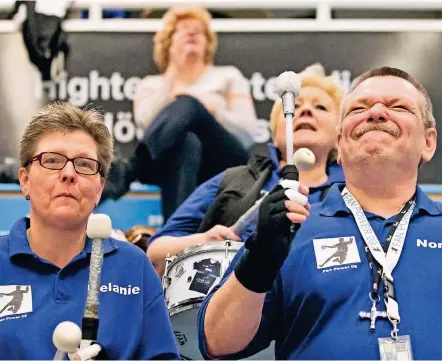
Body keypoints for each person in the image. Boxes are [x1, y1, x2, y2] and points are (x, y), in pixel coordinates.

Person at [197, 66, 442, 359]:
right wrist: (260, 259)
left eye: (398, 106)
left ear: (428, 143)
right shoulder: (289, 228)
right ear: (339, 145)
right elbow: (216, 342)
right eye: (359, 108)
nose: (376, 113)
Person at [0, 102, 179, 360]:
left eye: (84, 165)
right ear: (25, 180)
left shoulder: (134, 266)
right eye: (53, 161)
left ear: (99, 189)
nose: (69, 174)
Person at [146, 63, 345, 276]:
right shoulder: (233, 180)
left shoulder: (354, 192)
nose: (305, 110)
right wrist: (203, 241)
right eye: (294, 107)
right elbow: (156, 250)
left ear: (339, 137)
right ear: (275, 134)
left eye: (321, 107)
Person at [102, 6, 258, 221]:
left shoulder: (228, 76)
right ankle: (176, 237)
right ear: (168, 42)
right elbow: (147, 123)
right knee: (186, 142)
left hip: (224, 161)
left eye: (199, 31)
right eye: (183, 29)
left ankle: (132, 168)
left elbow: (248, 132)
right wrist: (173, 74)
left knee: (189, 104)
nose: (192, 33)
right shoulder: (152, 84)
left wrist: (213, 111)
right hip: (174, 162)